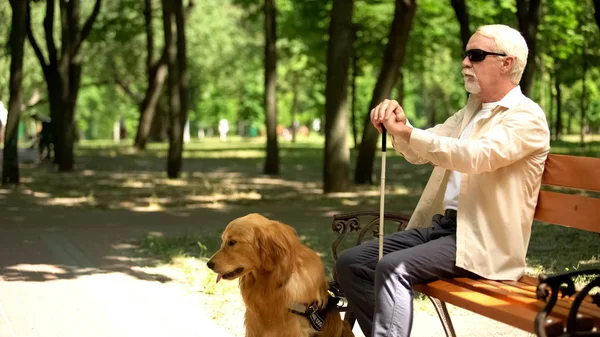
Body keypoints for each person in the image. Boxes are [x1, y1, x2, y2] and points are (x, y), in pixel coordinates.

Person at [335, 24, 550, 337]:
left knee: (394, 268)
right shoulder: (471, 110)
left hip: (482, 242)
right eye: (466, 55)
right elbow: (424, 148)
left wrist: (409, 133)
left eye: (475, 55)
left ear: (507, 63)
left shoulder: (526, 117)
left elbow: (476, 156)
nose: (465, 62)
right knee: (351, 263)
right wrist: (400, 126)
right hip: (443, 230)